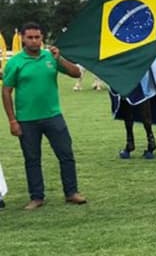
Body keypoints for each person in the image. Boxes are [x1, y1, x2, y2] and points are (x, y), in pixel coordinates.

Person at [1, 22, 87, 210]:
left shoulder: (51, 57)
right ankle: (36, 197)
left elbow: (76, 73)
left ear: (42, 38)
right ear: (23, 38)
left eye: (37, 37)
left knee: (66, 155)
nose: (34, 41)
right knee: (32, 159)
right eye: (30, 37)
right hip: (26, 119)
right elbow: (6, 91)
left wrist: (60, 60)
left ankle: (71, 193)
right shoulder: (15, 63)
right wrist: (12, 120)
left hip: (53, 116)